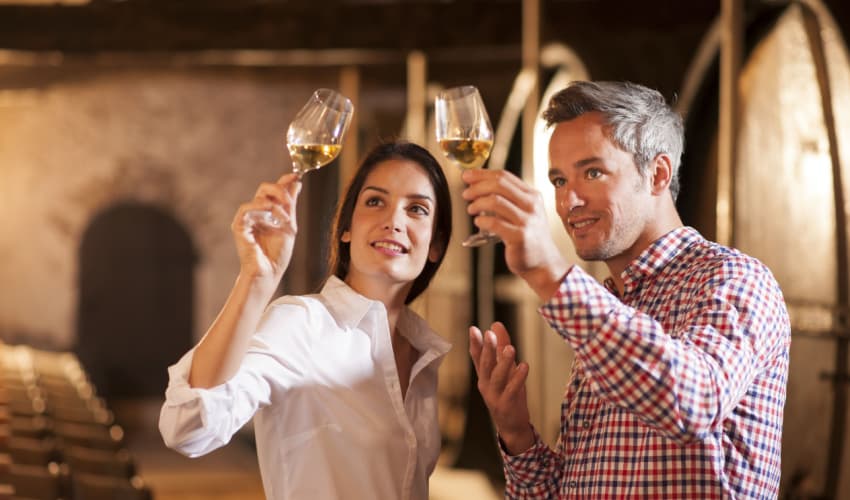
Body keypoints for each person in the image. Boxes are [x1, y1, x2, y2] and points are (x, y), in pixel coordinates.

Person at [463, 81, 790, 498]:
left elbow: (694, 402)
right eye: (559, 181)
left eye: (593, 172)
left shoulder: (734, 280)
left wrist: (549, 272)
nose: (568, 202)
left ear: (657, 174)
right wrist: (516, 433)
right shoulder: (612, 304)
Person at [159, 141, 453, 500]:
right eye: (375, 201)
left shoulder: (424, 353)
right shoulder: (302, 324)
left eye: (417, 209)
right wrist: (255, 279)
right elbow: (187, 427)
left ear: (435, 244)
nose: (393, 221)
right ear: (346, 228)